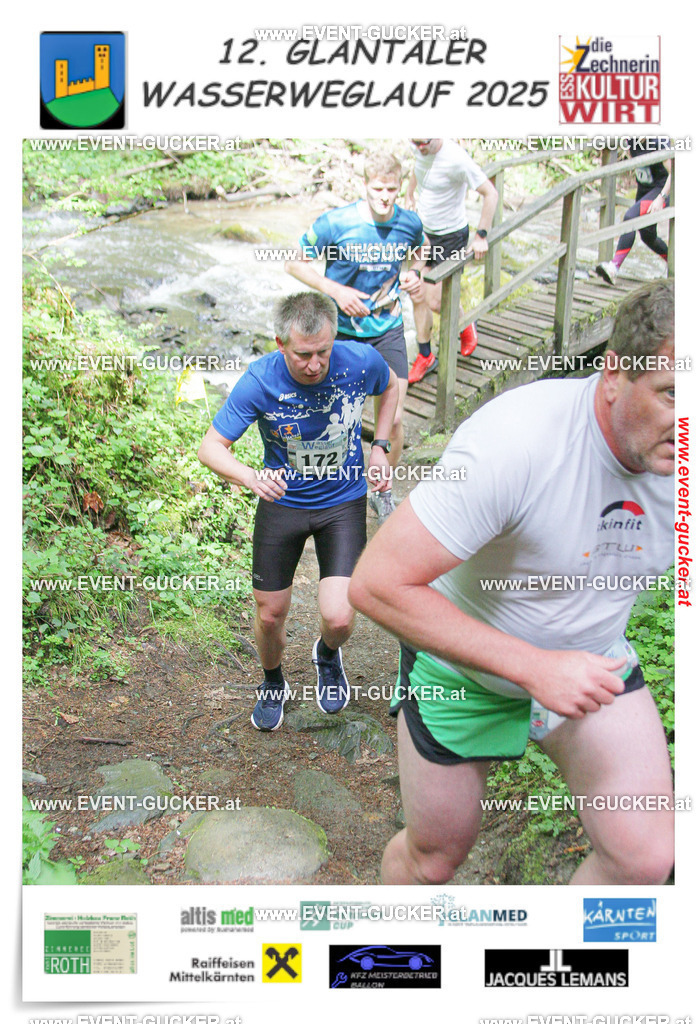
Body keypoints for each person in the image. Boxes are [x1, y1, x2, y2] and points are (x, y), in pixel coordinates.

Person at [349, 279, 675, 885]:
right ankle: (390, 941)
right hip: (462, 671)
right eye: (672, 393)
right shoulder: (515, 442)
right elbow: (376, 584)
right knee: (433, 859)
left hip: (592, 661)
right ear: (613, 374)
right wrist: (533, 667)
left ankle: (554, 948)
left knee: (645, 859)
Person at [198, 292, 399, 732]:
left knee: (339, 617)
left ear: (334, 339)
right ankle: (273, 681)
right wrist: (251, 477)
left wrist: (380, 446)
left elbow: (390, 386)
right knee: (270, 614)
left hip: (342, 502)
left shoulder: (359, 361)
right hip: (283, 504)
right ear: (280, 344)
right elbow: (210, 447)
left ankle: (326, 654)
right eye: (303, 355)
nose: (314, 365)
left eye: (323, 352)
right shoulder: (260, 380)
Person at [285, 151, 424, 525]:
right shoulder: (336, 222)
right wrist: (336, 290)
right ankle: (325, 492)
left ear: (400, 187)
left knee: (394, 419)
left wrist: (416, 274)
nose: (384, 197)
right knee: (331, 419)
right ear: (365, 185)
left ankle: (381, 490)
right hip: (341, 334)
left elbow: (420, 252)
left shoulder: (409, 223)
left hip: (388, 329)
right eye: (377, 189)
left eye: (391, 189)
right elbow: (293, 261)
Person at [404, 139, 499, 383]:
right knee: (416, 292)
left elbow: (491, 193)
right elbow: (418, 168)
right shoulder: (420, 146)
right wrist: (409, 193)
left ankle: (465, 324)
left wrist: (481, 235)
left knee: (436, 300)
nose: (420, 147)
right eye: (416, 142)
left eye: (424, 142)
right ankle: (425, 356)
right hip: (423, 233)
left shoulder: (457, 159)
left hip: (451, 237)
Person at [596, 137, 671, 284]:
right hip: (644, 189)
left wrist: (661, 198)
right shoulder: (631, 139)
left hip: (661, 190)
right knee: (647, 236)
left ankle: (614, 267)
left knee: (630, 218)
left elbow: (674, 173)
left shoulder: (659, 141)